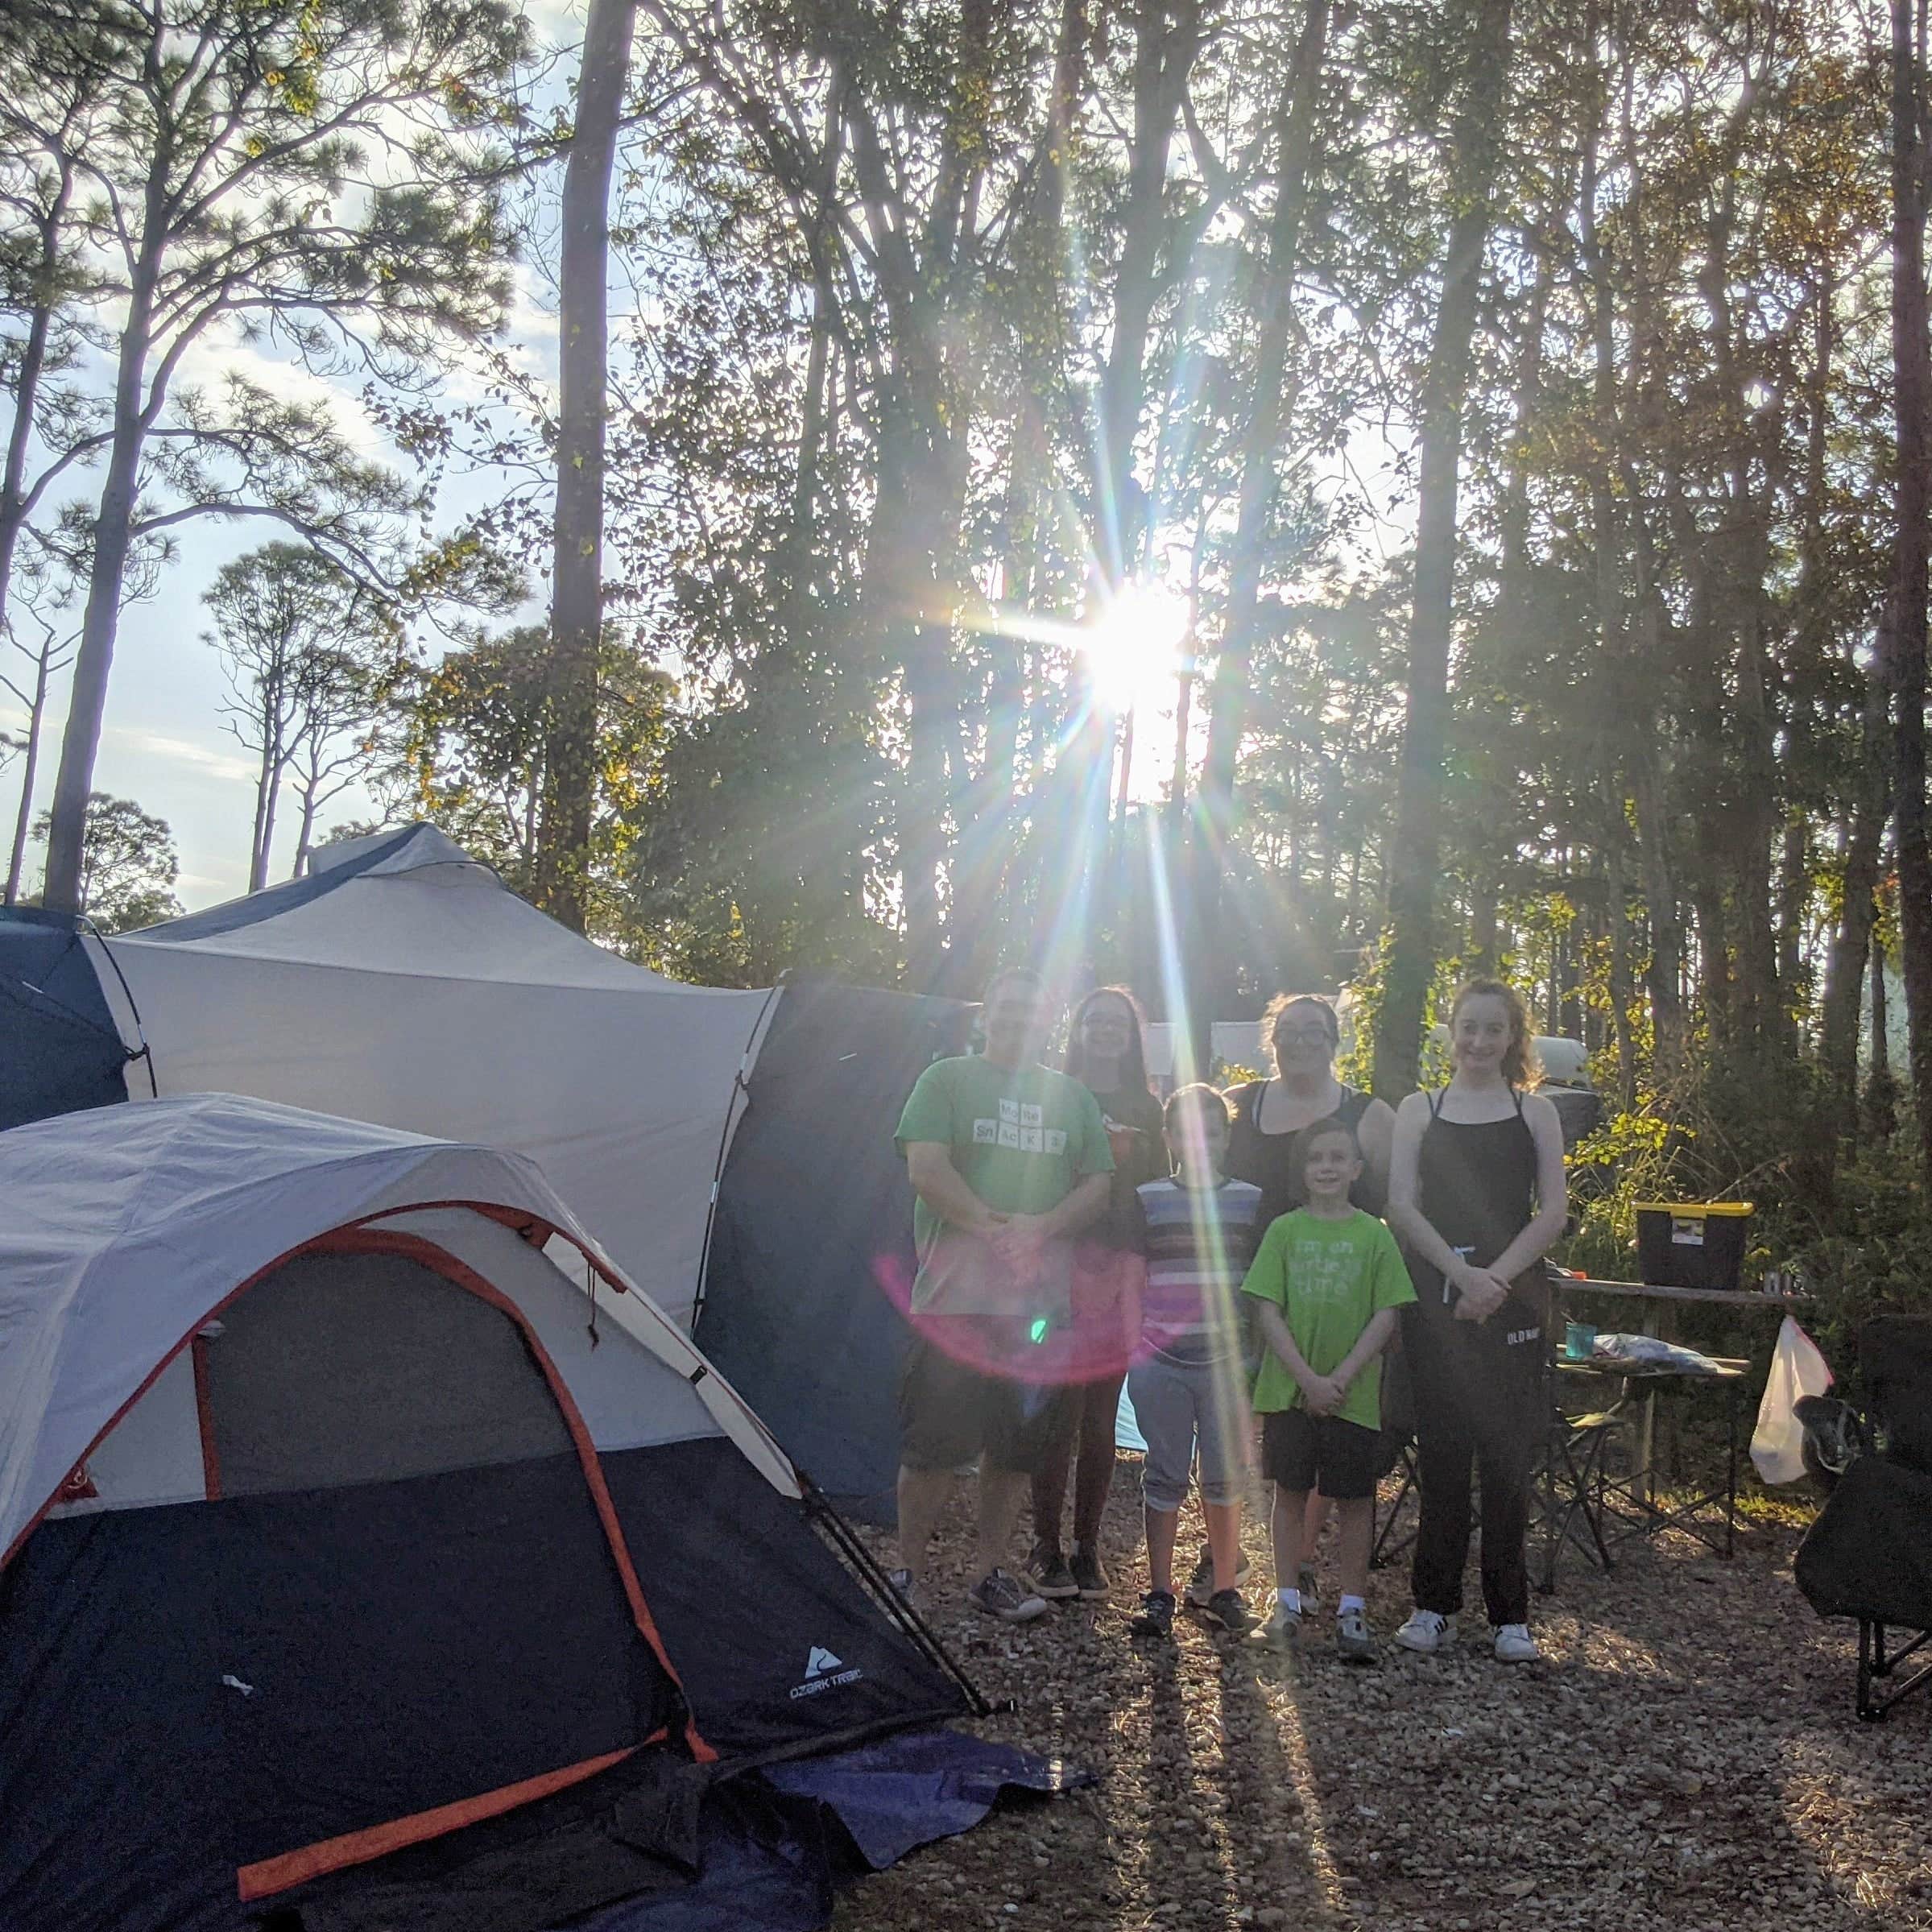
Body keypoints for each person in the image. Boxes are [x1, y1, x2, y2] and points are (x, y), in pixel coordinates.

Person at [892, 966, 1115, 1622]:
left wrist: (1040, 1229)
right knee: (932, 1446)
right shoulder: (945, 1080)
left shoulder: (1071, 1096)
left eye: (1033, 1011)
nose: (1020, 1020)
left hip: (1037, 1313)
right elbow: (925, 1167)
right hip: (953, 1304)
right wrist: (996, 1231)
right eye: (1008, 1008)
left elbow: (1097, 1183)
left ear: (1050, 1022)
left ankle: (992, 1571)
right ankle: (907, 1571)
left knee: (1015, 1449)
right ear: (986, 1013)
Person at [1385, 978, 1568, 1665]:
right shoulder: (1418, 1109)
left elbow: (1550, 1211)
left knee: (1508, 1462)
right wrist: (1459, 1276)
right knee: (1441, 1457)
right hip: (1438, 1300)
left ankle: (1508, 1615)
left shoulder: (1535, 1112)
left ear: (1511, 1037)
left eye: (1493, 1030)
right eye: (1468, 1027)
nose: (1479, 1042)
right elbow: (1401, 1204)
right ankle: (1431, 1605)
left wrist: (1497, 1278)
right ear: (1451, 1031)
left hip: (1514, 1305)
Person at [1217, 992, 1396, 1611]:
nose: (1300, 1041)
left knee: (1323, 1422)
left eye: (1314, 1031)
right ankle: (1227, 1556)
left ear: (1333, 1038)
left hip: (1335, 1295)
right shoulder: (1238, 1105)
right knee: (1237, 1426)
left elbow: (1398, 1204)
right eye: (1287, 1031)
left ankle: (1298, 1565)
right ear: (1271, 1038)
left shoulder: (1368, 1113)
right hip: (1248, 1284)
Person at [1242, 1115, 1415, 1661]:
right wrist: (1307, 1379)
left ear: (1356, 1168)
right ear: (1303, 1168)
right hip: (1292, 1392)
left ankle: (1352, 1609)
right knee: (1289, 1492)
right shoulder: (1283, 1230)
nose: (1326, 1167)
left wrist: (1340, 1377)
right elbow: (1266, 1308)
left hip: (1353, 1396)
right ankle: (1287, 1600)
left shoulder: (1374, 1234)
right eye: (1316, 1158)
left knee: (1355, 1499)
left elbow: (1387, 1312)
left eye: (1338, 1158)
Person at [1028, 987, 1168, 1603]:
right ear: (1077, 1028)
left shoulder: (1146, 1104)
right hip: (1057, 1267)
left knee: (1100, 1415)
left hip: (1118, 1274)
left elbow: (1158, 1190)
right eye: (1093, 1019)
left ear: (1131, 1033)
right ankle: (1045, 1546)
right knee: (1057, 1407)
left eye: (1116, 1021)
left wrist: (1150, 1270)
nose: (1105, 1029)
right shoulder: (1051, 1095)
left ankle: (1087, 1547)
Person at [1123, 1085, 1268, 1640]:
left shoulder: (1250, 1201)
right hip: (1161, 1359)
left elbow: (1258, 1283)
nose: (1199, 1141)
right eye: (1186, 1131)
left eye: (1211, 1131)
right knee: (1162, 1473)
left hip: (1227, 1361)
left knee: (1224, 1476)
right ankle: (1158, 1591)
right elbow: (1135, 1275)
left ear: (1225, 1137)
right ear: (1168, 1138)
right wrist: (1136, 1347)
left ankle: (1223, 1587)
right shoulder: (1147, 1197)